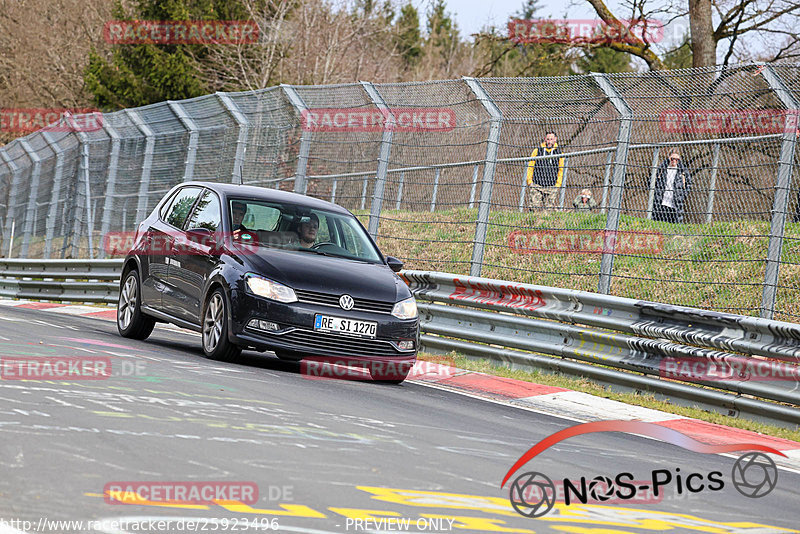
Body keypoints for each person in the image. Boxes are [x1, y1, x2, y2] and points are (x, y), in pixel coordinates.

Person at [526, 132, 565, 211]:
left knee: (548, 210)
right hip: (537, 185)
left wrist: (558, 184)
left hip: (551, 186)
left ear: (555, 140)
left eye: (551, 139)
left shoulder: (560, 153)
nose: (549, 141)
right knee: (533, 207)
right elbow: (530, 166)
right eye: (548, 139)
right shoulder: (537, 151)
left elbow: (561, 170)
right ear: (545, 139)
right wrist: (529, 181)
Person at [652, 149, 692, 223]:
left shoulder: (682, 171)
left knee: (673, 224)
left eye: (677, 159)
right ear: (669, 157)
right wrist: (656, 193)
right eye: (672, 159)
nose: (674, 161)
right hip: (661, 202)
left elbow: (689, 184)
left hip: (675, 203)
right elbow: (652, 181)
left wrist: (682, 195)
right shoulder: (661, 169)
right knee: (658, 222)